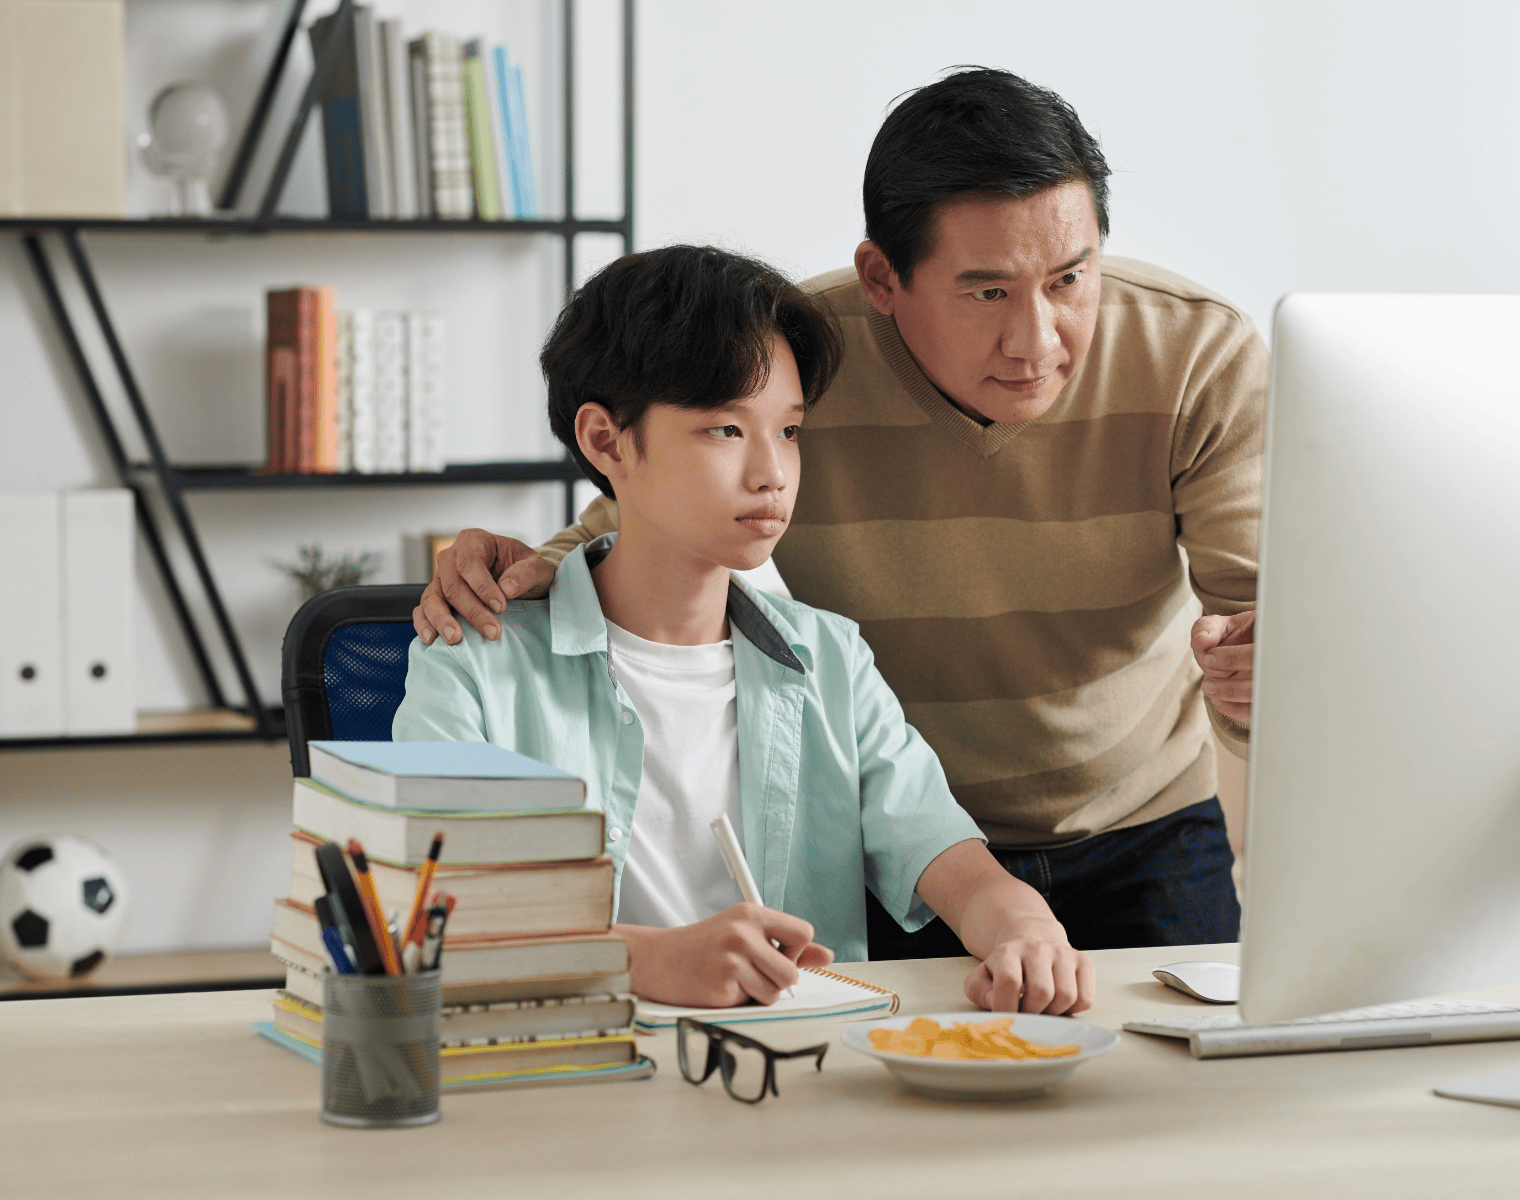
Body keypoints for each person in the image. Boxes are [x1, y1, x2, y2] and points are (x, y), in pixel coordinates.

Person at [414, 68, 1264, 957]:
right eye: (986, 292)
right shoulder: (792, 350)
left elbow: (1265, 636)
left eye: (1069, 279)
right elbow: (641, 503)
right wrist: (515, 573)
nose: (1037, 341)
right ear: (883, 279)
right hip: (898, 865)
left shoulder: (1196, 354)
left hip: (1137, 825)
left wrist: (1262, 678)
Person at [393, 245, 1094, 1013]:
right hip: (570, 1076)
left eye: (789, 431)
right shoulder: (474, 660)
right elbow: (426, 916)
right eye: (726, 430)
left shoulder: (828, 658)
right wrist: (651, 959)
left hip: (800, 1080)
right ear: (605, 440)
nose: (773, 473)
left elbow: (947, 856)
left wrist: (1025, 929)